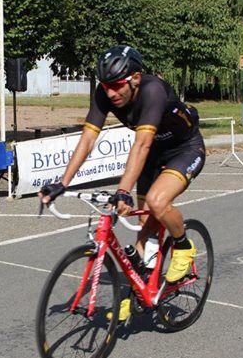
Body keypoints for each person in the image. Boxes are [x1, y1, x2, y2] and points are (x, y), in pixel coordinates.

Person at [39, 45, 206, 320]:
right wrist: (62, 182)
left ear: (135, 78)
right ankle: (138, 292)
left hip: (185, 149)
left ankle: (184, 246)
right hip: (152, 155)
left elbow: (140, 145)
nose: (110, 94)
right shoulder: (105, 94)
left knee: (157, 202)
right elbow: (88, 139)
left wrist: (123, 191)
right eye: (105, 87)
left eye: (116, 86)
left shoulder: (153, 90)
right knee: (146, 230)